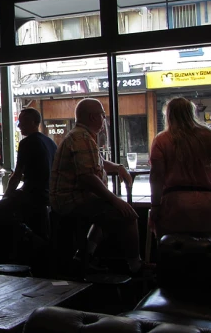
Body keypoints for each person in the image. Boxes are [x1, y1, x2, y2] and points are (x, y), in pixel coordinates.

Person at [50, 98, 148, 275]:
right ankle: (136, 265)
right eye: (103, 115)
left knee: (105, 213)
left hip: (70, 199)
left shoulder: (80, 135)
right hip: (71, 201)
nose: (104, 119)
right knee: (128, 216)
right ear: (93, 117)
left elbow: (97, 163)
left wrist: (118, 167)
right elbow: (87, 177)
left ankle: (84, 255)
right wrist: (115, 201)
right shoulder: (81, 138)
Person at [149, 97, 211, 238]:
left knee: (174, 249)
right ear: (191, 113)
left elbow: (156, 176)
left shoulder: (161, 140)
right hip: (208, 203)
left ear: (169, 116)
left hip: (175, 204)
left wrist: (155, 206)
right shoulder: (209, 135)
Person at [0, 108, 57, 240]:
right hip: (48, 196)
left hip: (31, 196)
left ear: (32, 122)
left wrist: (6, 196)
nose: (18, 125)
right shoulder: (51, 143)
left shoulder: (26, 143)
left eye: (22, 122)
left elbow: (17, 176)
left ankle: (23, 237)